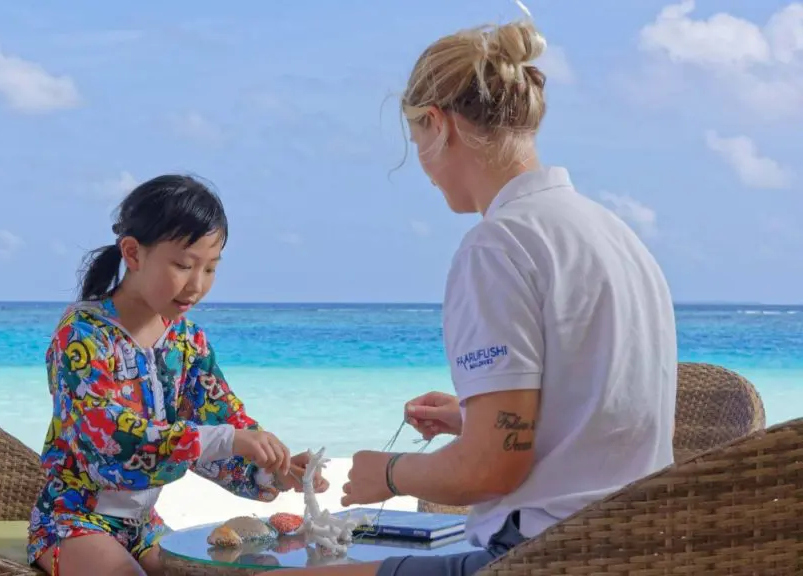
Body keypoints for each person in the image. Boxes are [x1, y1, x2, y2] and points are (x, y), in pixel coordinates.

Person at [271, 17, 677, 576]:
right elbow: (600, 416)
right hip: (633, 544)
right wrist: (472, 417)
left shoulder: (498, 245)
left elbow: (489, 472)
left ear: (438, 126)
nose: (426, 171)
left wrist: (386, 472)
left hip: (543, 554)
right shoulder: (612, 232)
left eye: (417, 143)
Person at [27, 174, 329, 576]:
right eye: (184, 265)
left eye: (210, 269)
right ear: (133, 254)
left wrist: (270, 466)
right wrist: (227, 439)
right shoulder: (82, 337)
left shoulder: (187, 341)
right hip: (72, 520)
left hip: (144, 526)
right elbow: (110, 441)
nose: (197, 286)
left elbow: (221, 417)